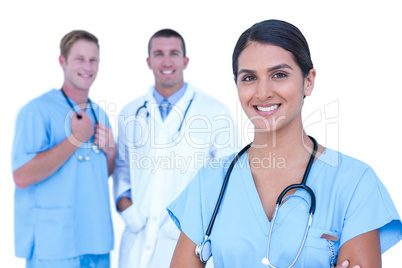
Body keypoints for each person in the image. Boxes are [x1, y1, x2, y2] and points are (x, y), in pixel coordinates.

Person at [167, 20, 402, 268]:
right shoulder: (211, 182)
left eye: (279, 75)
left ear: (308, 81)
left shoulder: (354, 183)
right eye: (249, 78)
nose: (263, 92)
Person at [113, 29, 239, 268]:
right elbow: (122, 168)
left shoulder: (215, 111)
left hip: (186, 239)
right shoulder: (130, 112)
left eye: (174, 53)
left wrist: (189, 222)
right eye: (159, 54)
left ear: (185, 61)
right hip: (137, 236)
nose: (167, 61)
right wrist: (128, 210)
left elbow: (228, 177)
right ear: (149, 62)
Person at [11, 30, 115, 267]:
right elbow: (22, 176)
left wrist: (111, 152)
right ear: (62, 61)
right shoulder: (36, 111)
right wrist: (75, 139)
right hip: (56, 243)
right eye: (79, 58)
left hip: (96, 241)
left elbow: (100, 174)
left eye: (93, 59)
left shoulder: (100, 114)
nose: (87, 66)